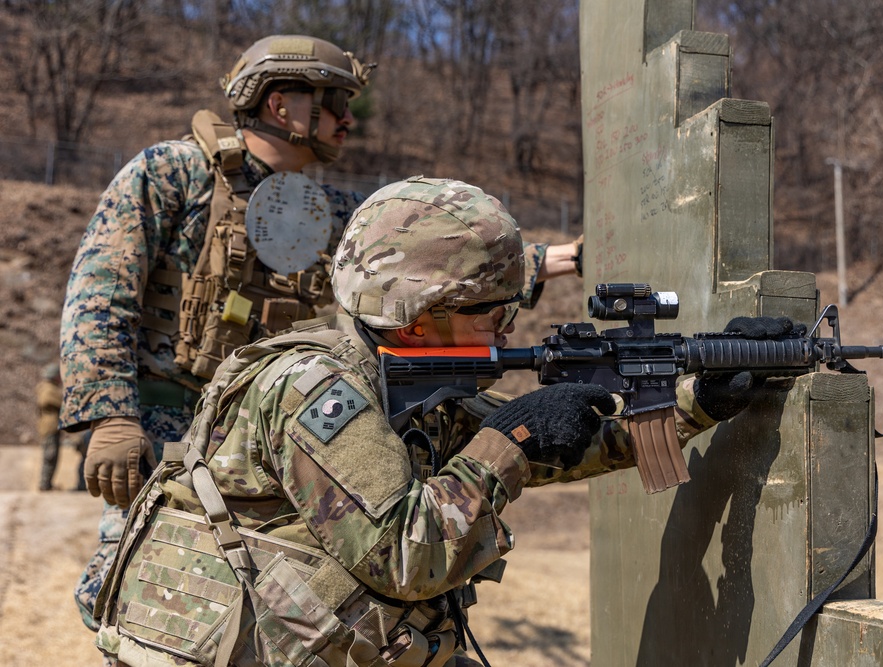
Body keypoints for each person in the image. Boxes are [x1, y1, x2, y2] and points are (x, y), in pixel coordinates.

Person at [91, 177, 781, 667]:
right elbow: (411, 555)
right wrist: (509, 437)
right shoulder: (316, 390)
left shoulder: (398, 374)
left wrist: (699, 399)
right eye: (491, 309)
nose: (508, 325)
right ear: (422, 315)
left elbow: (546, 447)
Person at [59, 35, 579, 636]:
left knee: (272, 602)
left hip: (289, 427)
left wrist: (560, 257)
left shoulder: (329, 208)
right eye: (334, 102)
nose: (348, 118)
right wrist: (110, 416)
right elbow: (100, 295)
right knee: (147, 588)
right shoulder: (172, 175)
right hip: (167, 423)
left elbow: (428, 267)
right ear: (282, 105)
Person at [36, 362, 62, 491]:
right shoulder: (48, 388)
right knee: (50, 456)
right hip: (50, 427)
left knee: (53, 455)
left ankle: (47, 483)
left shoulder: (50, 387)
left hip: (52, 426)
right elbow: (49, 400)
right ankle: (44, 484)